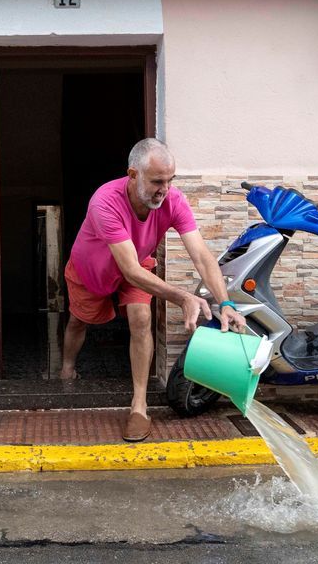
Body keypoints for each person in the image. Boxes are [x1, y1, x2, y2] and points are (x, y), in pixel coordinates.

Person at [62, 138, 246, 442]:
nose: (165, 188)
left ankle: (139, 406)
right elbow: (129, 269)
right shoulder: (104, 201)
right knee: (77, 321)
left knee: (141, 319)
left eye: (170, 180)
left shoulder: (173, 201)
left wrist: (227, 304)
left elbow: (201, 256)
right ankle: (67, 368)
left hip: (135, 264)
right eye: (157, 180)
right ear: (133, 175)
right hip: (91, 270)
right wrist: (182, 296)